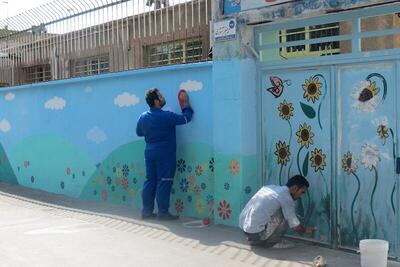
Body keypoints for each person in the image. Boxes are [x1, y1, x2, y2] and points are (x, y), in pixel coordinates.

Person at [136, 88, 194, 220]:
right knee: (164, 181)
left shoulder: (143, 117)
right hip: (165, 154)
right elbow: (186, 118)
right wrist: (185, 104)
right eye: (161, 96)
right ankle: (163, 213)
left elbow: (139, 133)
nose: (163, 97)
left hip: (149, 152)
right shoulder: (166, 116)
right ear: (156, 101)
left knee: (150, 180)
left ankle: (146, 212)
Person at [239, 175, 315, 247]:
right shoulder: (286, 198)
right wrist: (305, 230)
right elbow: (295, 225)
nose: (301, 196)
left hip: (244, 229)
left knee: (281, 211)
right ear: (295, 188)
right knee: (285, 214)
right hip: (255, 233)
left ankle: (254, 239)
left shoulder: (269, 188)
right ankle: (272, 243)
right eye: (302, 192)